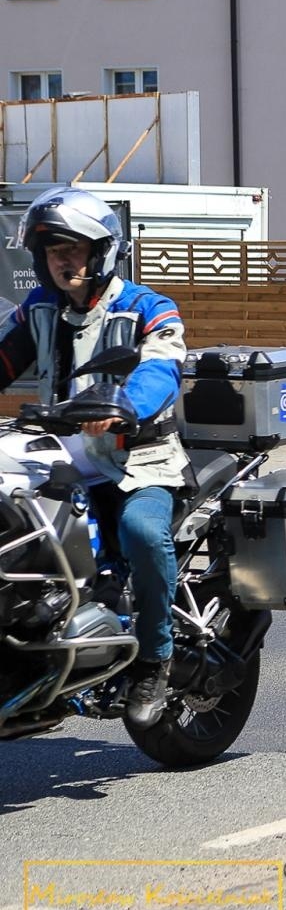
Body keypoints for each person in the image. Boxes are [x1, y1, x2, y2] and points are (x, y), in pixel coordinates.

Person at [0, 187, 192, 727]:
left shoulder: (148, 307)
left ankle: (154, 659)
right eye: (52, 251)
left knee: (142, 532)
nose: (63, 261)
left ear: (103, 252)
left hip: (138, 456)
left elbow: (162, 366)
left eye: (74, 249)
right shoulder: (38, 310)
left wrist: (125, 405)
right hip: (59, 452)